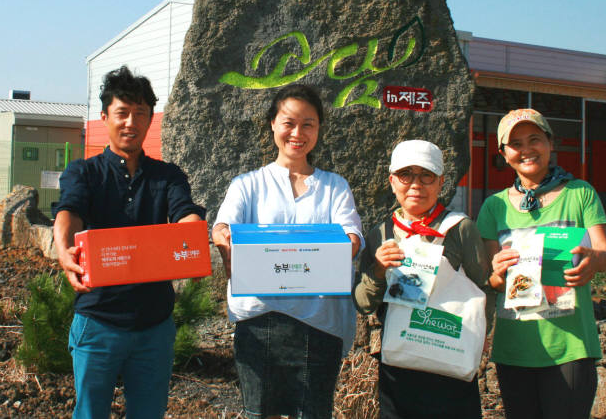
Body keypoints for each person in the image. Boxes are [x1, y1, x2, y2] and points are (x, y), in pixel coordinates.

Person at [53, 65, 205, 419]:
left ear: (151, 120)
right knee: (89, 413)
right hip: (98, 319)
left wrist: (193, 242)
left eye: (140, 114)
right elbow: (69, 210)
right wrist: (63, 249)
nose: (130, 123)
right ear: (105, 116)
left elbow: (184, 212)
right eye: (122, 113)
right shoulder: (84, 173)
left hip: (155, 325)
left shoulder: (168, 176)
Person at [211, 84, 364, 419]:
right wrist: (223, 238)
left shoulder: (335, 186)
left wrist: (345, 247)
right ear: (273, 125)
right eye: (289, 123)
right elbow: (223, 227)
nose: (298, 133)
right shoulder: (247, 184)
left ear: (320, 129)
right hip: (259, 322)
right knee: (258, 413)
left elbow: (352, 236)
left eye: (308, 124)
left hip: (318, 325)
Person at [476, 108, 606, 419]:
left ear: (551, 143)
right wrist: (498, 272)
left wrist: (593, 259)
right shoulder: (493, 206)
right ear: (503, 153)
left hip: (570, 346)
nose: (526, 149)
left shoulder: (580, 194)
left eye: (534, 139)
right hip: (515, 349)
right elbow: (491, 282)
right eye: (516, 144)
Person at [352, 140, 493, 419]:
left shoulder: (460, 229)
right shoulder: (381, 233)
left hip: (450, 354)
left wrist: (480, 336)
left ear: (441, 182)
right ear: (392, 181)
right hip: (401, 361)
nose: (416, 185)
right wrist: (379, 269)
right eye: (406, 175)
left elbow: (483, 288)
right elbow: (363, 303)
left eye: (426, 175)